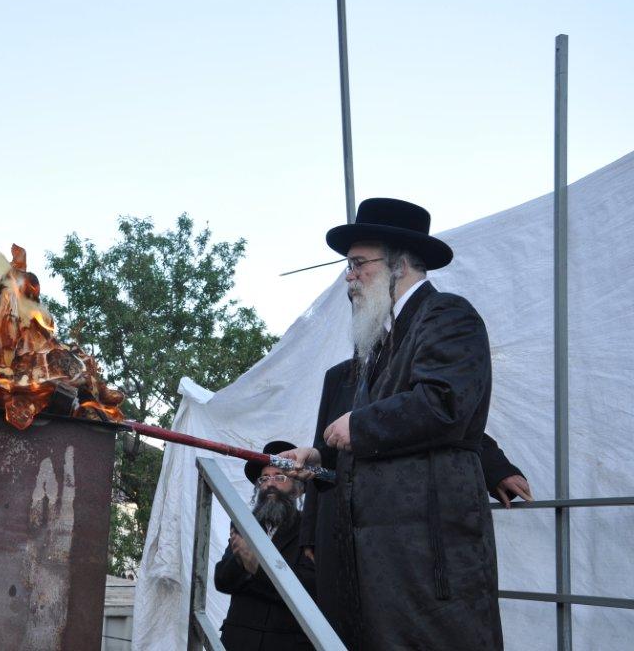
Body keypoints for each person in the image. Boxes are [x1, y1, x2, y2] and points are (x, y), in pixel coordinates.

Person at [282, 197, 507, 650]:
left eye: (358, 263)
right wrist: (319, 456)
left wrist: (360, 426)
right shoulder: (384, 343)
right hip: (388, 557)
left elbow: (443, 403)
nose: (349, 277)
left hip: (427, 550)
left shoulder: (447, 315)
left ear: (399, 265)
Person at [299, 359, 533, 644]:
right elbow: (323, 442)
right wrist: (309, 533)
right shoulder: (338, 375)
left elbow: (438, 420)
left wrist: (496, 468)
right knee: (343, 620)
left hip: (397, 523)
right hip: (340, 513)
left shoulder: (408, 363)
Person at [214, 441, 317, 650]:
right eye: (264, 478)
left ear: (297, 489)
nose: (270, 484)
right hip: (237, 642)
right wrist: (241, 560)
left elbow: (309, 589)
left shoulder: (311, 529)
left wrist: (256, 568)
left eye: (279, 477)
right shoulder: (244, 524)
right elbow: (222, 581)